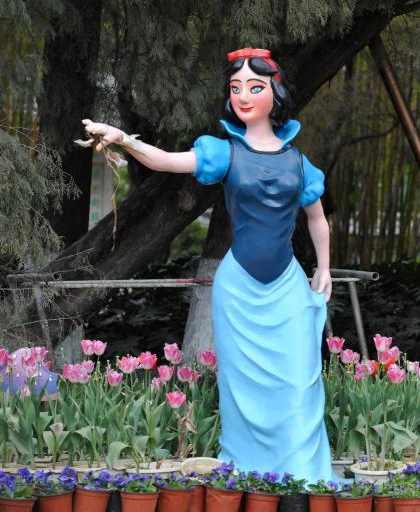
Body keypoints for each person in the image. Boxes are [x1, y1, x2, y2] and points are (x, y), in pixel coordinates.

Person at [81, 47, 333, 481]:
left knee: (300, 382)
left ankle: (302, 476)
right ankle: (251, 475)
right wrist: (123, 139)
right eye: (236, 87)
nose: (244, 95)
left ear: (275, 93)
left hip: (288, 285)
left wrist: (324, 267)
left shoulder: (299, 162)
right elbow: (166, 161)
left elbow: (317, 218)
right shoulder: (224, 152)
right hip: (239, 289)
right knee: (242, 389)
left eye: (255, 87)